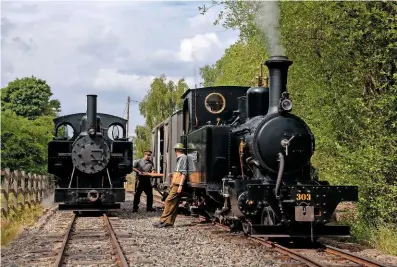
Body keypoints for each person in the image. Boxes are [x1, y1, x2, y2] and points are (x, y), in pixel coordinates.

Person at [153, 143, 187, 228]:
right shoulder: (180, 159)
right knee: (173, 204)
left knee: (168, 201)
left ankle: (162, 220)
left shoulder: (183, 158)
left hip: (177, 184)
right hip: (175, 183)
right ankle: (169, 222)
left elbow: (184, 173)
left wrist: (180, 185)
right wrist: (173, 175)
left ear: (176, 150)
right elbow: (180, 172)